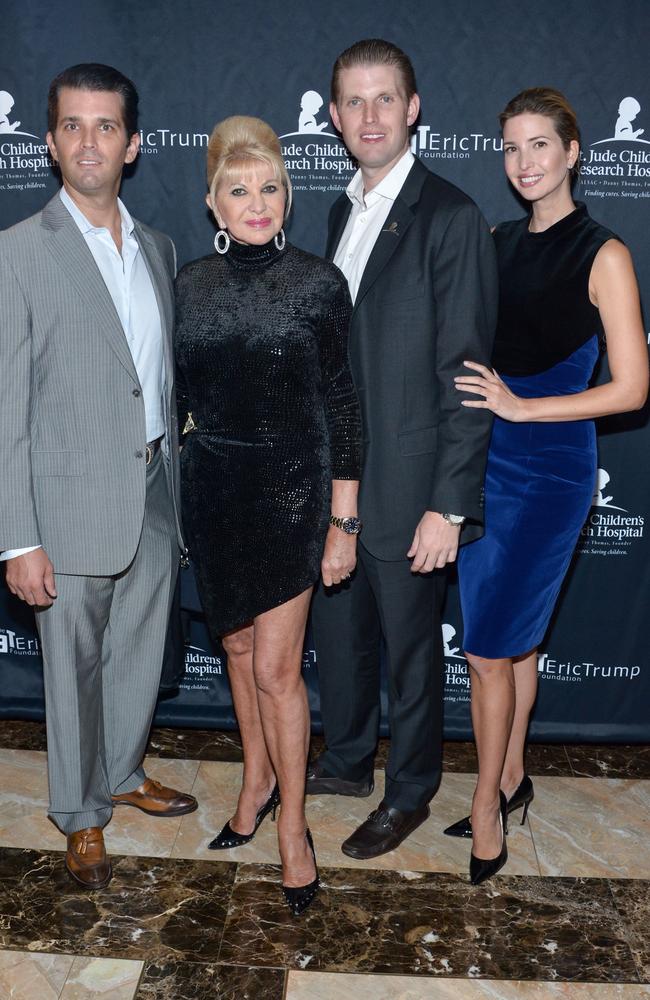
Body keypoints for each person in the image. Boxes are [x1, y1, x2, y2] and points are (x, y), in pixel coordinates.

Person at [0, 64, 196, 890]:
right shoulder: (15, 254)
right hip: (66, 499)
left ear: (133, 144)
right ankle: (79, 814)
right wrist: (19, 535)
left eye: (105, 126)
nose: (89, 141)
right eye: (73, 126)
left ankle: (120, 771)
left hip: (154, 486)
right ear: (49, 143)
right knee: (74, 666)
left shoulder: (160, 247)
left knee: (137, 650)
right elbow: (6, 405)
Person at [449, 87, 648, 885]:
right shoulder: (495, 241)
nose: (525, 162)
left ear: (572, 152)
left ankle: (488, 810)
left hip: (549, 472)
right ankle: (510, 774)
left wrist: (526, 406)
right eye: (511, 147)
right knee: (514, 642)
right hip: (482, 466)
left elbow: (632, 388)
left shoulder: (604, 253)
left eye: (540, 145)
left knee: (490, 651)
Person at [308, 39, 498, 860]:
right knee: (343, 639)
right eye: (353, 102)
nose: (369, 116)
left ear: (413, 108)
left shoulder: (450, 215)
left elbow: (466, 375)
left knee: (414, 658)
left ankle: (411, 790)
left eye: (385, 99)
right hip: (340, 483)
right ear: (335, 117)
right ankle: (348, 760)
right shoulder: (338, 210)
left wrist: (448, 504)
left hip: (415, 486)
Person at [175, 115, 362, 915]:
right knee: (239, 647)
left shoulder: (321, 283)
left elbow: (345, 405)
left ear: (289, 195)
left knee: (279, 668)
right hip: (216, 491)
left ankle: (292, 825)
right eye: (238, 190)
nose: (256, 203)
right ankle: (254, 779)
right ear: (214, 204)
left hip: (293, 490)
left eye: (270, 187)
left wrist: (341, 519)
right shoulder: (188, 284)